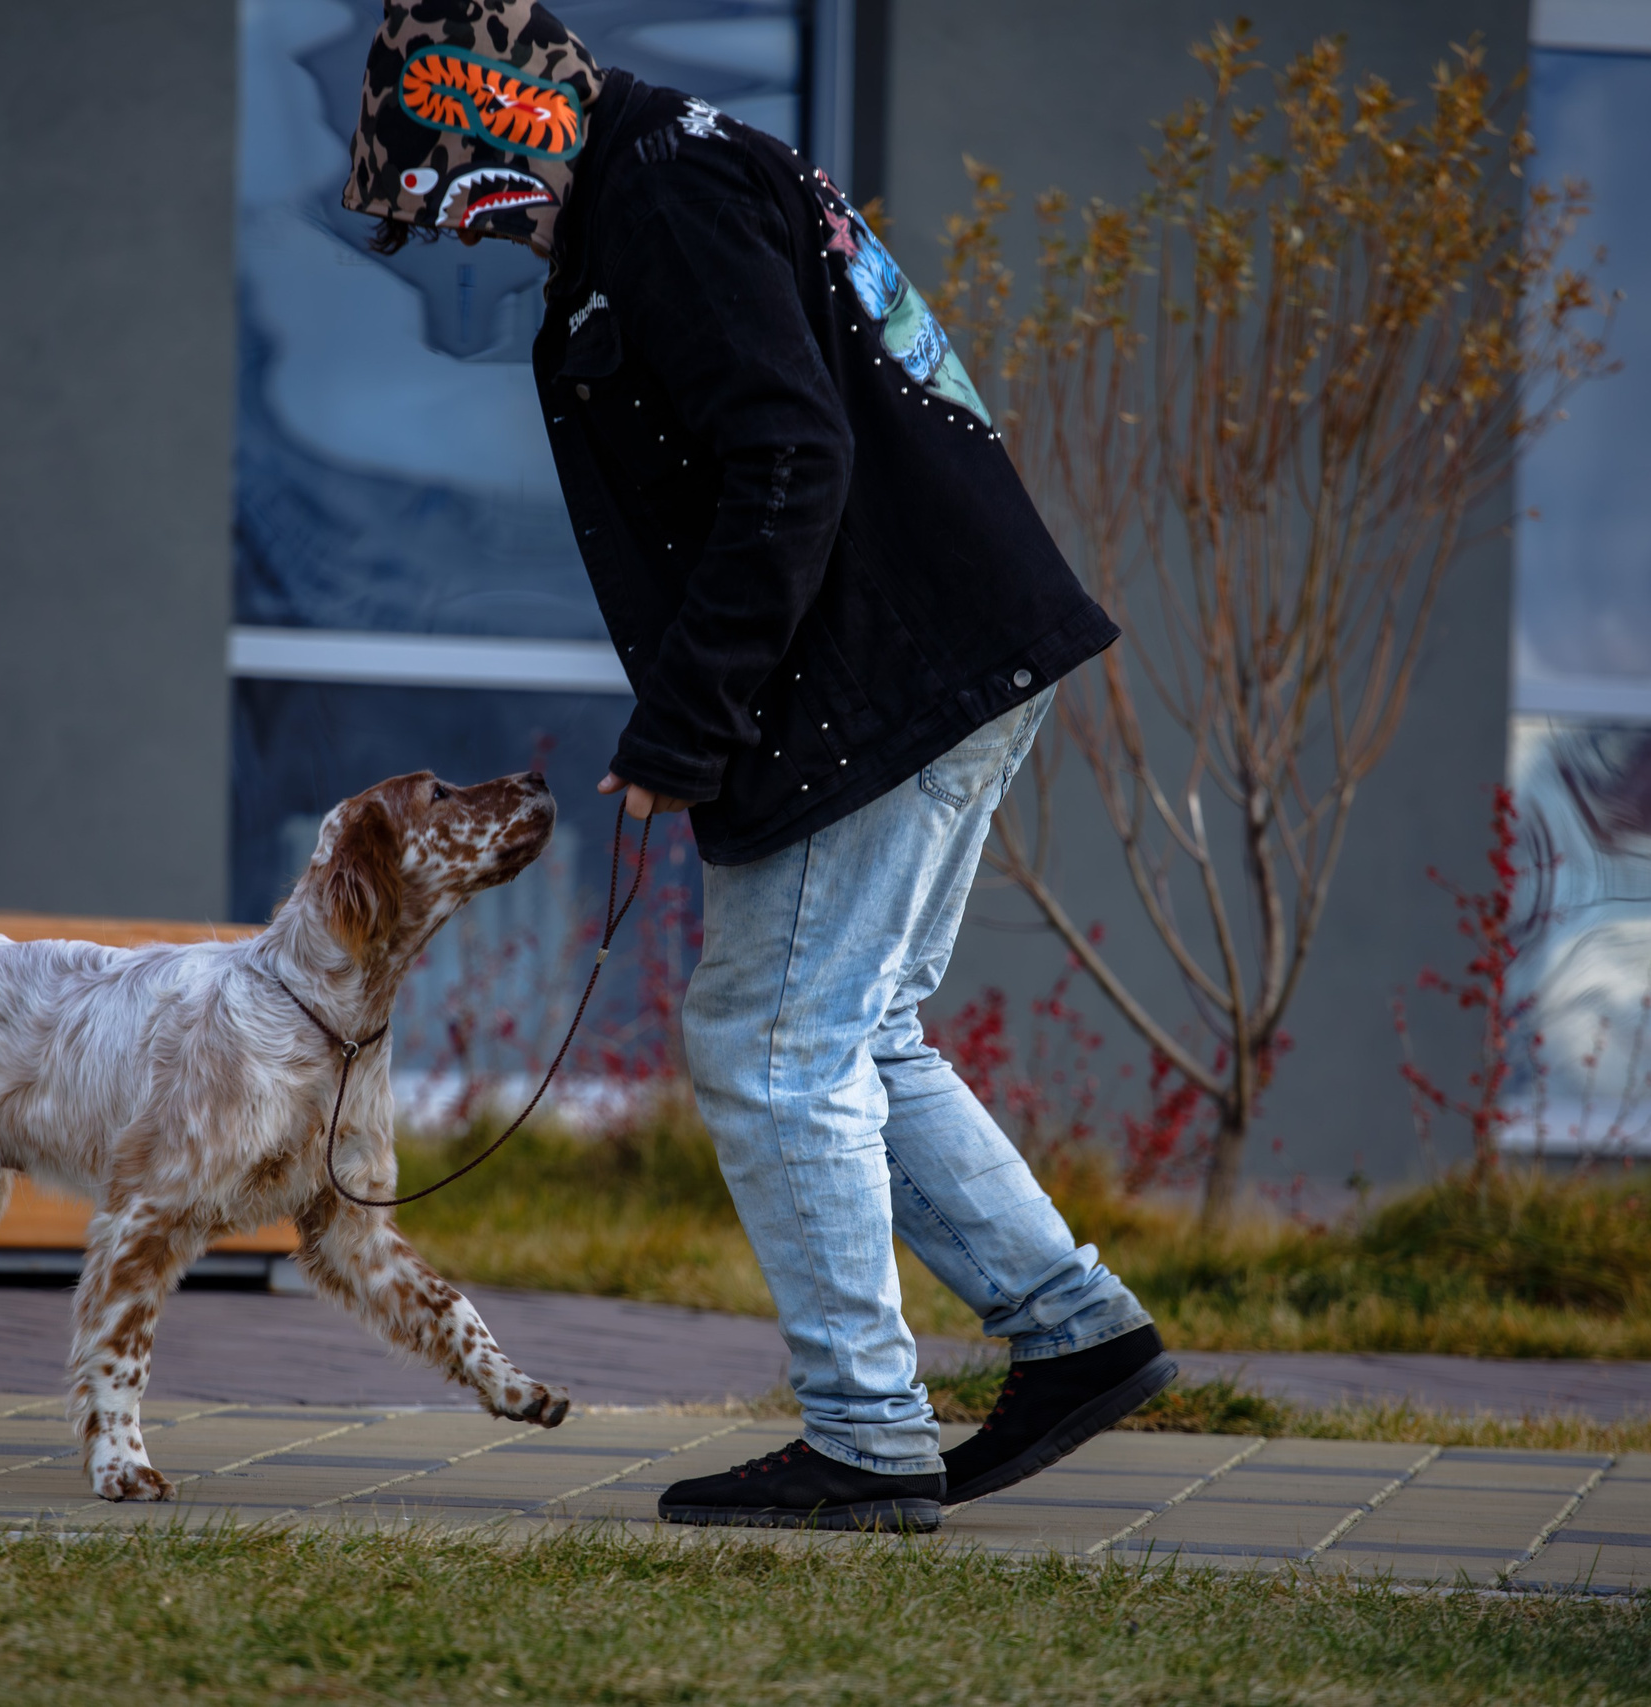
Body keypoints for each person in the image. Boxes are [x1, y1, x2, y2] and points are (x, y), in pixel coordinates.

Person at [341, 0, 1173, 1534]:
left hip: (883, 671)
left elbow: (790, 455)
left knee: (774, 1043)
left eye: (443, 198)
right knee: (861, 1033)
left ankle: (867, 1438)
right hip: (943, 652)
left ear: (492, 126)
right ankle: (1075, 1335)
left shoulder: (662, 190)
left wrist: (685, 725)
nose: (464, 241)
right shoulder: (681, 169)